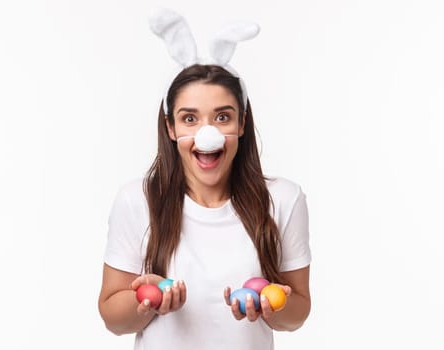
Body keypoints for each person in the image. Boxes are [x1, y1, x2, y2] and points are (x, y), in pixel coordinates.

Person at [97, 9, 311, 349]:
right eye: (190, 118)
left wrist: (271, 307)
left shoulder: (283, 199)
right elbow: (112, 317)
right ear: (170, 128)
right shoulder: (138, 200)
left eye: (222, 117)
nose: (207, 134)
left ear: (242, 124)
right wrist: (147, 302)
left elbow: (298, 313)